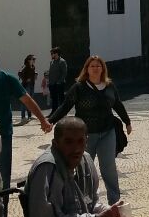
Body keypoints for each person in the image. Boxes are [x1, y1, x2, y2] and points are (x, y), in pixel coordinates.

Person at [49, 55, 132, 205]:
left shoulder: (109, 86)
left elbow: (117, 104)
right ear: (87, 69)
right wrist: (51, 121)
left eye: (98, 66)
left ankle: (115, 202)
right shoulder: (79, 87)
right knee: (84, 170)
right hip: (85, 136)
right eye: (92, 66)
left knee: (109, 168)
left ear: (103, 69)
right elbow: (65, 106)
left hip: (107, 131)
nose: (95, 68)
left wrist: (127, 121)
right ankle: (85, 202)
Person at [0, 51, 51, 214]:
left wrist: (42, 120)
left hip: (3, 133)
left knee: (4, 174)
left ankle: (3, 215)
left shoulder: (8, 80)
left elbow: (27, 100)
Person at [17, 54, 37, 123]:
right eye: (33, 59)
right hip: (26, 85)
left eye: (34, 59)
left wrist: (34, 76)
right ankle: (23, 117)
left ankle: (29, 116)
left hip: (32, 85)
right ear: (29, 60)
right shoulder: (25, 66)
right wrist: (25, 79)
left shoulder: (33, 67)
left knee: (30, 101)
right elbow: (19, 72)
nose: (34, 61)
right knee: (25, 101)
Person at [47, 47, 68, 111]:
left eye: (52, 53)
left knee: (61, 99)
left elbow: (64, 73)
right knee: (54, 99)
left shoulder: (62, 61)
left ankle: (62, 113)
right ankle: (53, 112)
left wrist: (59, 82)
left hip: (59, 84)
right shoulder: (52, 62)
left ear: (56, 53)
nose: (51, 55)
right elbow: (50, 72)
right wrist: (49, 81)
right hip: (52, 84)